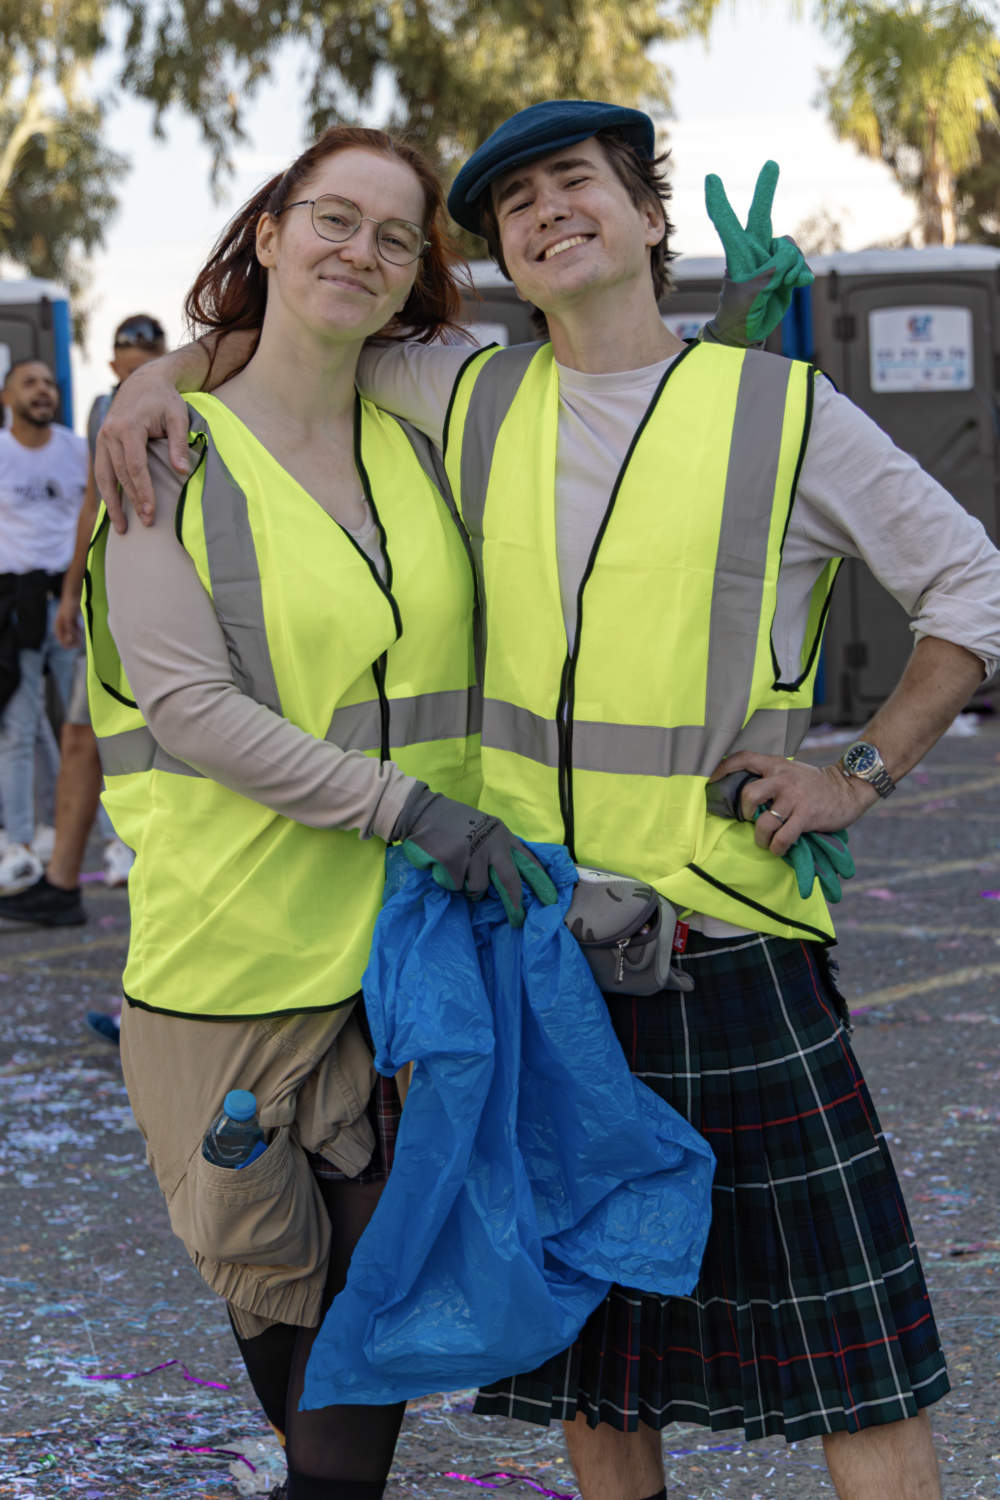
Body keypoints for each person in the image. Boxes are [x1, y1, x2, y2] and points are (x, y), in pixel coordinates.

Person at [98, 102, 1000, 1500]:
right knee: (596, 1373)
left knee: (853, 1366)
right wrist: (150, 380)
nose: (545, 213)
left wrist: (858, 772)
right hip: (536, 950)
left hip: (730, 954)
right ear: (504, 261)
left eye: (577, 183)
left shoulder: (784, 413)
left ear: (652, 220)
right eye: (515, 204)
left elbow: (976, 592)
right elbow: (303, 328)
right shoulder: (465, 388)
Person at [86, 125, 559, 1500]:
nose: (360, 250)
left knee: (361, 1382)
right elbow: (189, 708)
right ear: (271, 232)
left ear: (419, 275)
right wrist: (155, 380)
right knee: (294, 1349)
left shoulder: (424, 417)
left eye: (396, 235)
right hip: (230, 969)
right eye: (333, 219)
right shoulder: (165, 452)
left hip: (404, 963)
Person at [0, 317, 168, 936]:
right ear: (113, 362)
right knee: (71, 736)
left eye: (149, 352)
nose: (138, 363)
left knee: (154, 740)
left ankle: (144, 872)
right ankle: (59, 879)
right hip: (96, 599)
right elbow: (92, 506)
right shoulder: (103, 411)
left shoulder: (191, 399)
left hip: (160, 598)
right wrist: (73, 592)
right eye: (129, 353)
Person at [0, 359, 88, 893]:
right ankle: (19, 843)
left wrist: (75, 595)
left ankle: (104, 843)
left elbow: (91, 516)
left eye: (49, 384)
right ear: (7, 394)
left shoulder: (77, 450)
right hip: (16, 607)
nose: (42, 391)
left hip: (72, 603)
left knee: (85, 730)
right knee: (19, 728)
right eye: (29, 382)